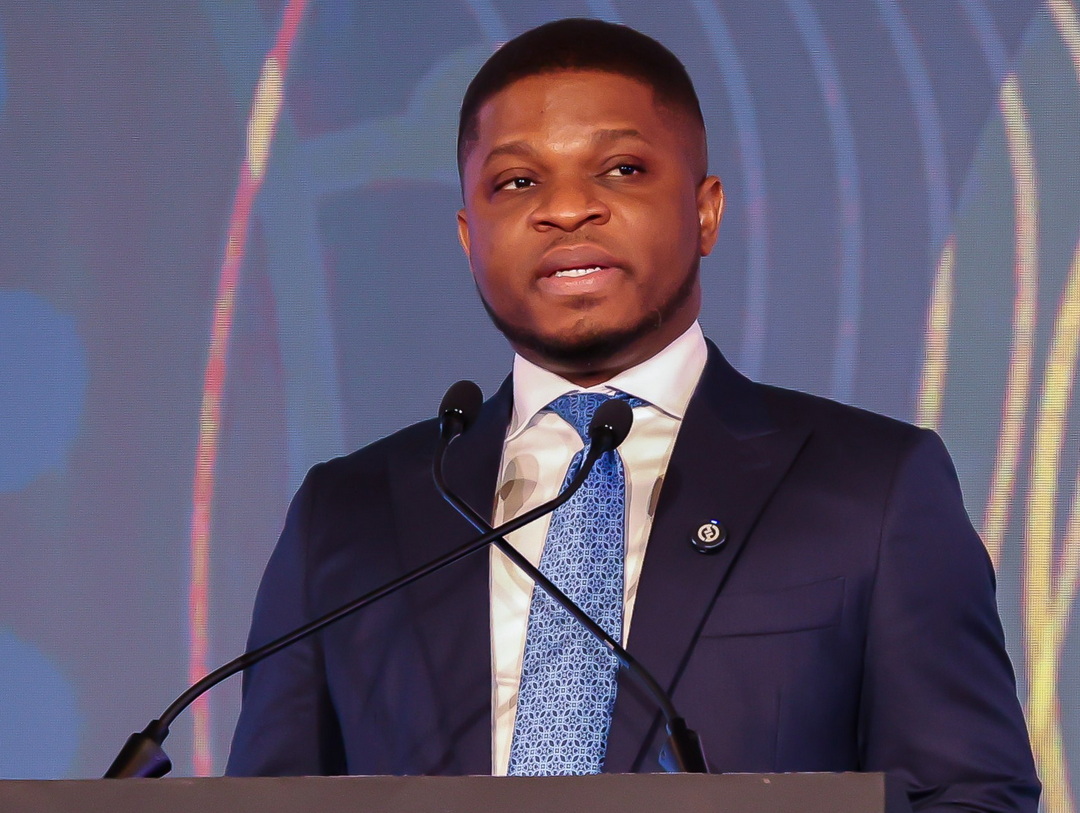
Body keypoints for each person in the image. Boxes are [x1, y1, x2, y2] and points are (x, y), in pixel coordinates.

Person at [227, 18, 1040, 810]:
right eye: (518, 182)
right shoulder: (347, 515)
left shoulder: (875, 488)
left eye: (620, 169)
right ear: (470, 236)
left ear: (705, 211)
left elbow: (973, 796)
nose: (566, 208)